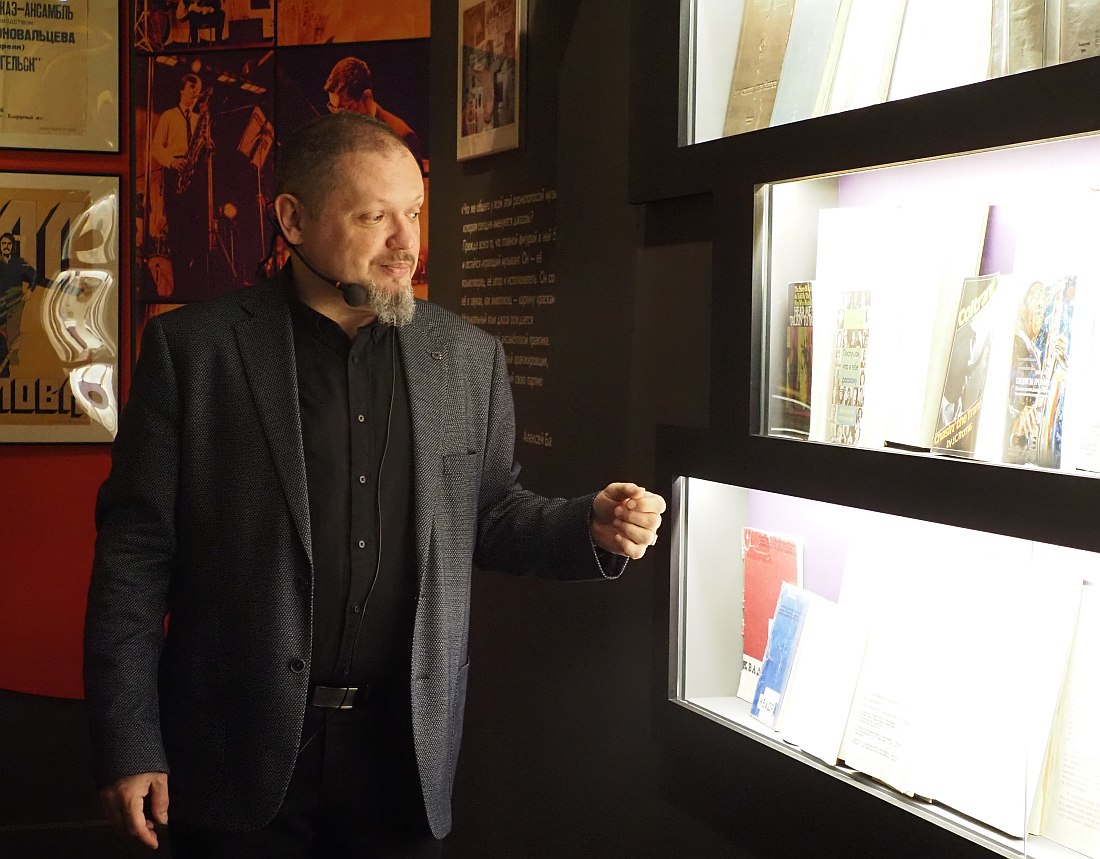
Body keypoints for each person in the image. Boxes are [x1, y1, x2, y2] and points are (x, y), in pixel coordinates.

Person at [84, 111, 664, 857]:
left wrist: (586, 525)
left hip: (404, 752)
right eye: (375, 215)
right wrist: (127, 738)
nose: (406, 241)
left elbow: (487, 513)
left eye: (414, 212)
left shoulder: (468, 357)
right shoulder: (193, 354)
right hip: (234, 750)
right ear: (293, 219)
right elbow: (133, 563)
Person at [150, 73, 212, 287]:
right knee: (176, 227)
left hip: (193, 174)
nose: (196, 92)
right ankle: (178, 277)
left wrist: (207, 144)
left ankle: (191, 276)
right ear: (181, 90)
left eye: (198, 88)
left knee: (194, 227)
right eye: (191, 88)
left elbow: (199, 147)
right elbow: (156, 147)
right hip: (175, 170)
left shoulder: (198, 120)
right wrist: (171, 162)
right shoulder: (168, 116)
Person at [323, 56, 422, 165]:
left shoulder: (403, 137)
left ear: (367, 96)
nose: (338, 118)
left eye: (345, 108)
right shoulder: (340, 136)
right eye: (333, 108)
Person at [0, 231, 37, 377]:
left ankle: (9, 364)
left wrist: (30, 290)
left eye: (9, 244)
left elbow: (33, 275)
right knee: (2, 334)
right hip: (1, 303)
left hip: (15, 303)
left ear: (13, 246)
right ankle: (4, 366)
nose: (6, 246)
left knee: (13, 334)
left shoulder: (18, 262)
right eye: (3, 244)